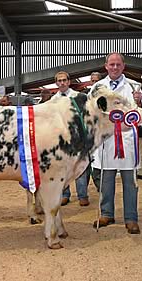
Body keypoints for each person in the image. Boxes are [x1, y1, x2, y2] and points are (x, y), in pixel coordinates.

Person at [91, 52, 142, 234]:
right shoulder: (98, 87)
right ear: (106, 66)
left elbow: (141, 114)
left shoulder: (133, 86)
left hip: (127, 139)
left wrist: (140, 102)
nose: (114, 67)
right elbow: (90, 112)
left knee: (130, 182)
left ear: (123, 66)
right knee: (106, 181)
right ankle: (107, 213)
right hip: (106, 140)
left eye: (118, 64)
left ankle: (131, 218)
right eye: (111, 64)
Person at [52, 71, 90, 206]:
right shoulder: (53, 101)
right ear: (56, 83)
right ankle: (65, 194)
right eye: (59, 80)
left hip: (78, 137)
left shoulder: (80, 97)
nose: (62, 83)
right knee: (63, 168)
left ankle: (82, 195)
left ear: (68, 82)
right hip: (61, 139)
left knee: (80, 166)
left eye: (64, 80)